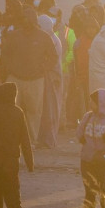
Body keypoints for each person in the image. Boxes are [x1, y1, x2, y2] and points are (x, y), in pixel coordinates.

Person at [0, 5, 58, 145]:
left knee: (34, 112)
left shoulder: (43, 36)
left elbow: (53, 57)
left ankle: (30, 142)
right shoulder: (14, 35)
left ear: (33, 19)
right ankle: (10, 140)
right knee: (9, 110)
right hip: (14, 78)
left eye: (27, 18)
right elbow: (5, 54)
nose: (24, 21)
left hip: (36, 79)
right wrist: (8, 69)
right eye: (23, 18)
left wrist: (44, 68)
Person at [37, 15, 63, 149]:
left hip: (51, 78)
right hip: (50, 77)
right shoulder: (49, 38)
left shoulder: (51, 39)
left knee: (50, 109)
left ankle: (48, 140)